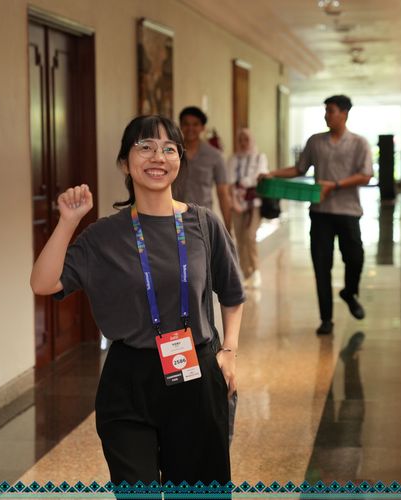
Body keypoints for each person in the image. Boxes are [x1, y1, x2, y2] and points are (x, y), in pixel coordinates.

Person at [30, 115, 245, 489]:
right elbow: (44, 283)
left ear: (179, 160)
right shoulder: (104, 235)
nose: (157, 157)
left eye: (168, 148)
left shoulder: (203, 223)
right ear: (125, 163)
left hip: (195, 372)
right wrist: (67, 222)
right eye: (145, 147)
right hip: (129, 379)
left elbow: (231, 293)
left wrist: (229, 351)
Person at [263, 94, 372, 334]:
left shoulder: (359, 143)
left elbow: (366, 175)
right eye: (325, 111)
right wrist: (272, 173)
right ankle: (326, 319)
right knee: (322, 266)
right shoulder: (315, 141)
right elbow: (299, 168)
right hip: (320, 213)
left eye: (331, 110)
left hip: (348, 212)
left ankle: (349, 292)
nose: (326, 115)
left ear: (344, 113)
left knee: (355, 258)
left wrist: (335, 185)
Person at [172, 106, 232, 229]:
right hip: (173, 219)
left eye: (195, 124)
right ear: (180, 126)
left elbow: (223, 193)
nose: (190, 128)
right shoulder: (170, 152)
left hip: (202, 221)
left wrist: (227, 228)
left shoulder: (215, 156)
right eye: (186, 124)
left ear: (202, 127)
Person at [226, 128, 268, 287]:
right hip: (237, 203)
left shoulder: (259, 157)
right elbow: (230, 182)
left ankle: (256, 270)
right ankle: (246, 273)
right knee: (240, 239)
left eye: (246, 139)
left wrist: (246, 182)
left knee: (250, 237)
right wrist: (234, 202)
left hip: (254, 204)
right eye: (240, 140)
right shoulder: (233, 159)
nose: (243, 143)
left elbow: (259, 177)